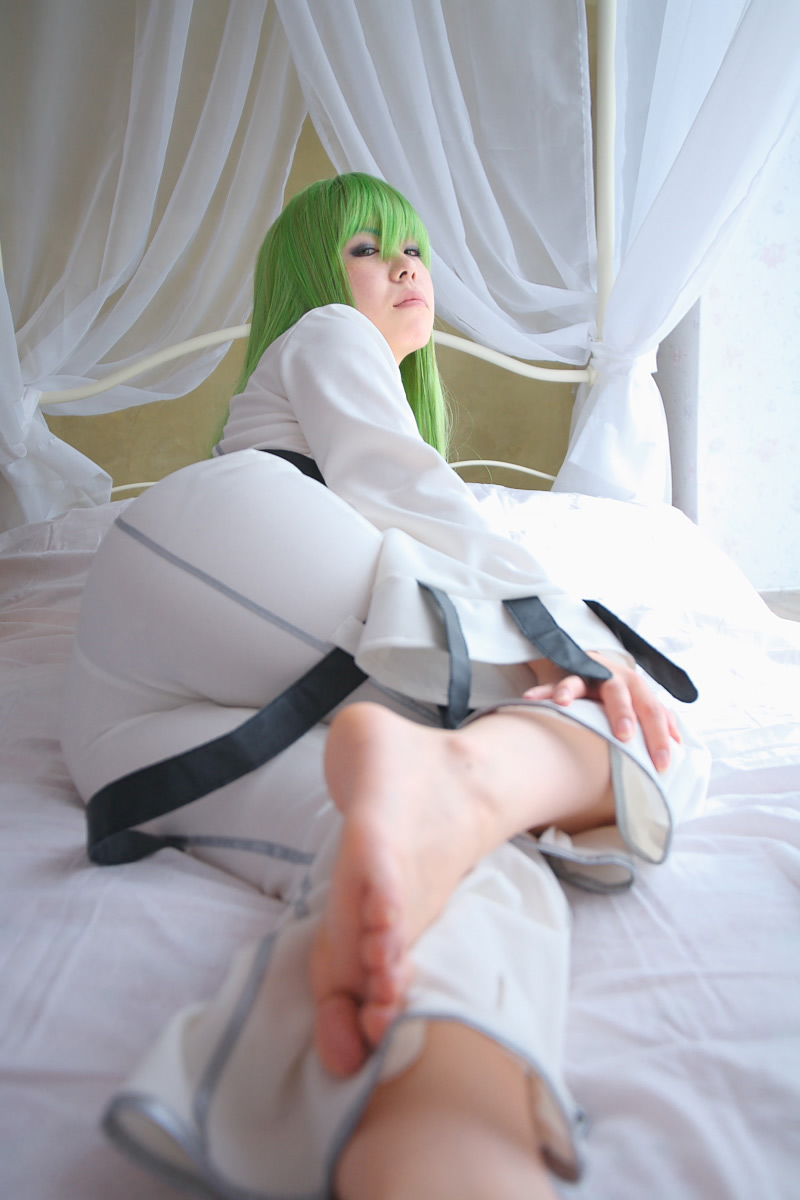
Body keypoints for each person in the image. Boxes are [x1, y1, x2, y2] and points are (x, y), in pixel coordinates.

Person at [62, 173, 708, 1200]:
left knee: (440, 865)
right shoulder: (326, 333)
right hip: (220, 553)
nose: (405, 266)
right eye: (366, 248)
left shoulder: (324, 408)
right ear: (313, 279)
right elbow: (401, 482)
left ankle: (439, 1133)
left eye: (412, 248)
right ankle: (472, 775)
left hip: (128, 728)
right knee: (647, 727)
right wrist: (570, 634)